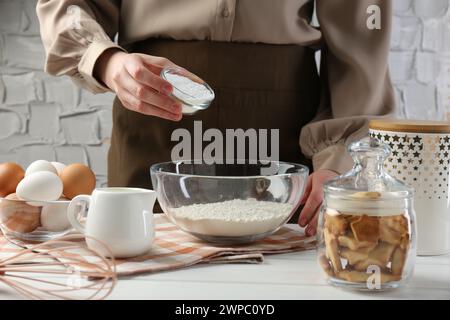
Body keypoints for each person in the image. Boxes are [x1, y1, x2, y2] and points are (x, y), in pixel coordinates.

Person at [37, 0, 395, 236]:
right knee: (148, 271)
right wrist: (106, 61)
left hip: (285, 121)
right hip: (154, 112)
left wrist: (339, 160)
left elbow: (361, 29)